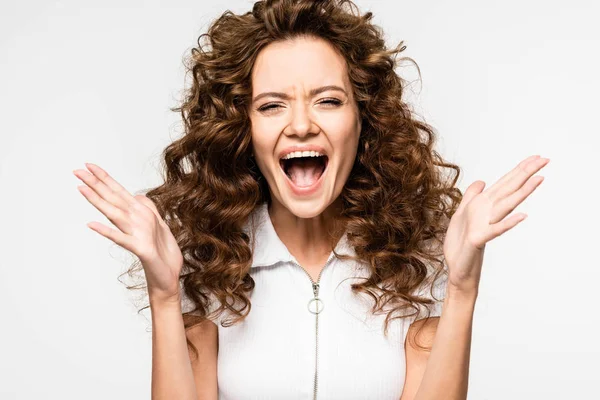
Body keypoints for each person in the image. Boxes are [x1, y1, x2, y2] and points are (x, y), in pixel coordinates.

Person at [72, 0, 549, 399]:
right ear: (246, 129)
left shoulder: (413, 263)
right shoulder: (211, 262)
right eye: (272, 105)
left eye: (328, 100)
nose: (300, 125)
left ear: (365, 122)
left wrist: (462, 288)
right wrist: (164, 293)